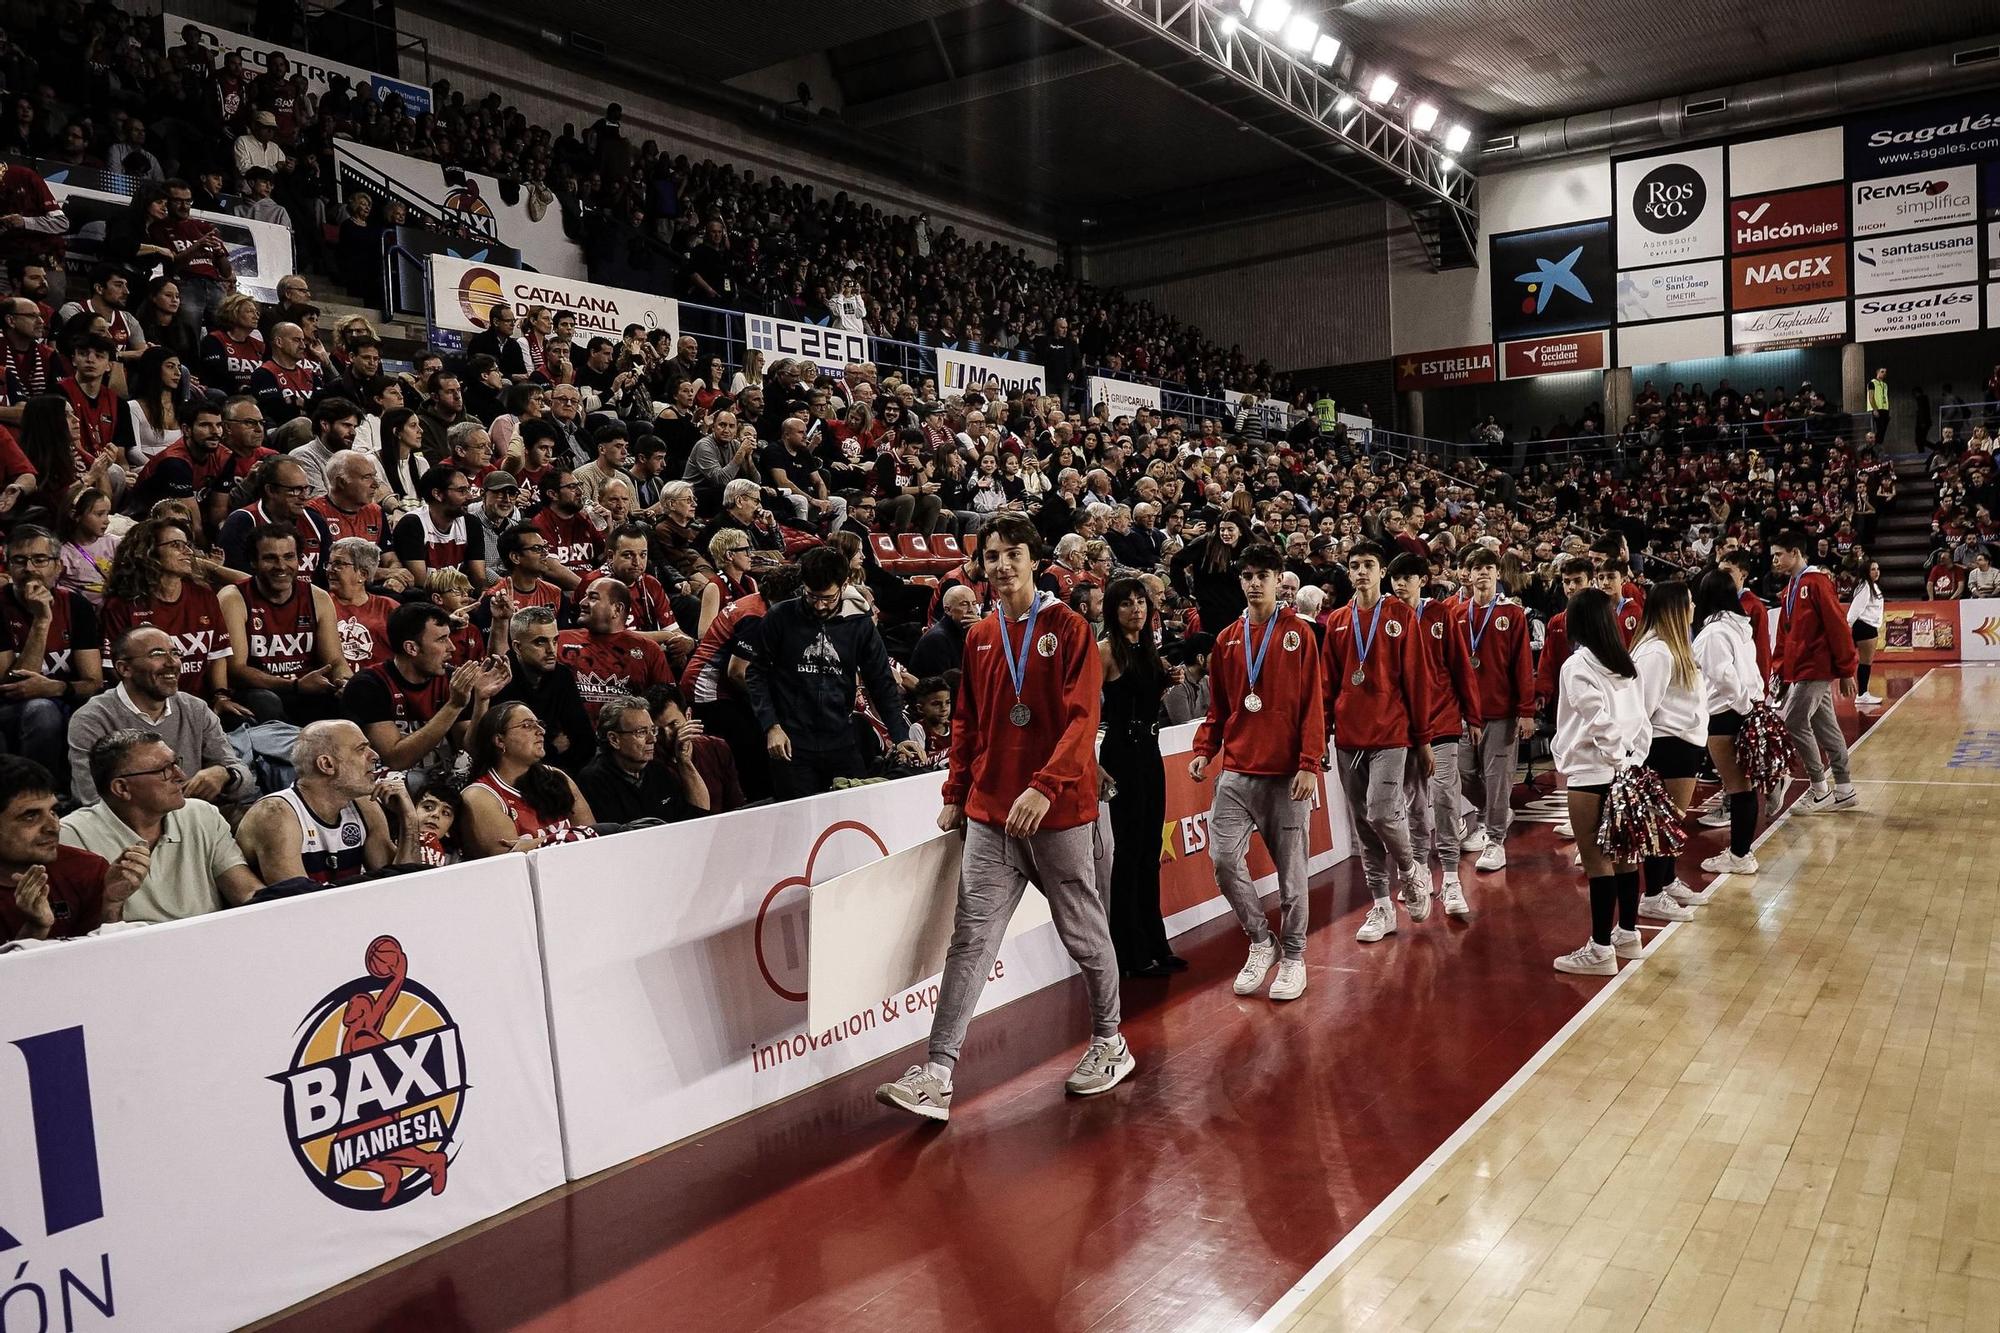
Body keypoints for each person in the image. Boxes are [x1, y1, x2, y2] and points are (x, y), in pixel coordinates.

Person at [875, 513, 1131, 1123]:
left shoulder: (1069, 628)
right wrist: (955, 790)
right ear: (982, 567)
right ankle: (937, 1072)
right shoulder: (981, 635)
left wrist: (1045, 786)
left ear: (1034, 560)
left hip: (1060, 812)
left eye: (1013, 553)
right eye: (992, 556)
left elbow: (1081, 720)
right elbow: (968, 722)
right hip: (991, 813)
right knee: (971, 937)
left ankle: (1110, 1040)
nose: (1002, 565)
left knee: (1083, 933)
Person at [1190, 543, 1325, 998]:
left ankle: (1292, 956)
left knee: (1291, 874)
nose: (1253, 583)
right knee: (1224, 860)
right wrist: (1204, 749)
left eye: (1262, 575)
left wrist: (1309, 763)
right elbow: (1219, 708)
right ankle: (1260, 941)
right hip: (1237, 773)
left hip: (1287, 774)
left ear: (1277, 579)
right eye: (1247, 575)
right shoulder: (1227, 639)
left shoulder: (1298, 634)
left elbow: (1312, 704)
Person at [1324, 541, 1431, 942]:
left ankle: (1411, 870)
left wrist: (1422, 739)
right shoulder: (1336, 620)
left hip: (1391, 734)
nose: (1361, 572)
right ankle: (1381, 906)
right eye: (1355, 566)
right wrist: (1322, 733)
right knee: (1364, 828)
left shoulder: (1401, 615)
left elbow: (1416, 680)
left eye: (1369, 564)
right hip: (1349, 737)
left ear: (1381, 571)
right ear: (1348, 573)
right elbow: (1327, 684)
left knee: (1383, 812)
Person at [747, 546, 916, 798]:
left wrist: (900, 736)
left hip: (840, 737)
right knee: (798, 821)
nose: (819, 605)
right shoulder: (779, 617)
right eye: (811, 596)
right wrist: (771, 725)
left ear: (844, 584)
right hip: (792, 741)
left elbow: (881, 682)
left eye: (827, 598)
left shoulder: (859, 624)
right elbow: (756, 674)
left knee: (853, 813)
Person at [1550, 588, 1653, 976]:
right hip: (1627, 771)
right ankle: (1628, 934)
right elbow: (1644, 721)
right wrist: (1632, 763)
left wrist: (1615, 761)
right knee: (1627, 858)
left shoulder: (1577, 666)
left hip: (1592, 774)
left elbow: (1598, 723)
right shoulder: (1626, 664)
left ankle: (1600, 949)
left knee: (1598, 864)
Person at [61, 730, 261, 922]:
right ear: (122, 788)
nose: (181, 775)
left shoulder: (202, 815)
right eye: (164, 770)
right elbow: (79, 935)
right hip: (129, 950)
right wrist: (111, 903)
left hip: (208, 943)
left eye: (176, 763)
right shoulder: (72, 837)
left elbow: (247, 892)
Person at [66, 626, 254, 805]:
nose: (172, 663)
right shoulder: (92, 719)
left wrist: (225, 775)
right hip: (129, 830)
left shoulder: (195, 708)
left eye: (175, 653)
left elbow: (244, 779)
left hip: (198, 819)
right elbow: (90, 799)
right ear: (124, 669)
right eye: (157, 654)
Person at [1387, 552, 1476, 917]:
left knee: (1443, 799)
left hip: (1441, 721)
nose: (1400, 583)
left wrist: (1473, 715)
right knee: (1412, 804)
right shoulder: (1384, 616)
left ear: (1422, 580)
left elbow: (1459, 664)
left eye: (1408, 576)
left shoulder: (1441, 615)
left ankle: (1452, 879)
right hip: (1403, 728)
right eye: (1395, 577)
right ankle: (1420, 870)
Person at [1099, 576, 1179, 977]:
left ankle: (1155, 943)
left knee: (1150, 851)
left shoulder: (1148, 650)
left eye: (1141, 602)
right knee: (1128, 852)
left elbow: (1145, 697)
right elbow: (1081, 707)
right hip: (1121, 754)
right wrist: (1092, 763)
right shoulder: (1105, 651)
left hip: (1151, 750)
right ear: (1113, 610)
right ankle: (1128, 952)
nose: (1136, 609)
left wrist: (1167, 682)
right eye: (1127, 603)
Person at [343, 602, 509, 791]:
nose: (452, 647)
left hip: (445, 782)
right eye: (441, 639)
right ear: (411, 648)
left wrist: (481, 699)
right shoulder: (368, 684)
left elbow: (471, 750)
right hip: (392, 787)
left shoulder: (451, 681)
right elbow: (396, 759)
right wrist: (454, 706)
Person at [237, 721, 417, 884]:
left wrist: (409, 818)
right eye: (361, 749)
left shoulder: (364, 805)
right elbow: (296, 904)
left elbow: (403, 885)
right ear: (327, 765)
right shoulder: (275, 814)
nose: (375, 756)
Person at [1450, 545, 1536, 874]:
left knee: (1498, 777)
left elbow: (1522, 666)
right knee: (1464, 772)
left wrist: (1525, 711)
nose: (1483, 573)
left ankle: (1495, 840)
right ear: (1467, 576)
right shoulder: (1457, 615)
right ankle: (1491, 813)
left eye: (1489, 568)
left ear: (1497, 574)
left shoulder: (1512, 615)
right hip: (1465, 712)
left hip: (1502, 711)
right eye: (1477, 568)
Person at [1629, 581, 1711, 921]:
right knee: (1662, 824)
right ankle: (1652, 893)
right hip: (1666, 746)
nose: (1693, 608)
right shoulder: (1657, 652)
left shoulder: (1672, 647)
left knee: (1671, 823)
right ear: (1675, 609)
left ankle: (1667, 879)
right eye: (1689, 603)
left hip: (1683, 744)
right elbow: (1641, 708)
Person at [0, 756, 147, 942]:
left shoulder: (87, 869)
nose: (53, 826)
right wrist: (35, 928)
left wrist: (111, 905)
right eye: (30, 816)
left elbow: (104, 958)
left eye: (53, 811)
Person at [0, 523, 104, 778]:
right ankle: (40, 790)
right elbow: (14, 686)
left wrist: (56, 688)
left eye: (39, 559)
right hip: (9, 708)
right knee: (41, 710)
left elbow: (94, 681)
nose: (29, 569)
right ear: (9, 566)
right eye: (20, 560)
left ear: (58, 566)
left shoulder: (76, 605)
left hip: (63, 698)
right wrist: (42, 621)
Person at [218, 523, 347, 722]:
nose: (281, 566)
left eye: (289, 557)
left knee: (351, 698)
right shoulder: (233, 598)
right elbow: (236, 670)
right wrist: (295, 685)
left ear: (299, 559)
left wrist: (345, 682)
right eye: (270, 558)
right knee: (266, 702)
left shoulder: (318, 597)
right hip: (259, 692)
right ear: (253, 562)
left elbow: (335, 661)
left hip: (308, 689)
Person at [1771, 529, 1859, 814]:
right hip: (1802, 668)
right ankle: (1844, 789)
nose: (1774, 561)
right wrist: (1781, 670)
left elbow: (1838, 626)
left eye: (1778, 555)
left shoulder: (1817, 583)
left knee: (1794, 721)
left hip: (1816, 667)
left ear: (1795, 553)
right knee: (1826, 726)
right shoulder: (1790, 589)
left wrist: (1847, 670)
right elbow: (1785, 634)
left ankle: (1820, 788)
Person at [1693, 570, 1765, 877]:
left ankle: (1739, 855)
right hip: (1742, 709)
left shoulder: (1713, 633)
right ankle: (1741, 852)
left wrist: (1743, 707)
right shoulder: (1738, 627)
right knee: (1742, 787)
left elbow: (1724, 677)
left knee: (1738, 788)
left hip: (1726, 715)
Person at [459, 700, 597, 855]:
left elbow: (594, 838)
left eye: (539, 724)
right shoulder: (480, 796)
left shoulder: (557, 777)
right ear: (499, 740)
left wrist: (535, 844)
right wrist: (573, 836)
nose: (540, 731)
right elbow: (510, 861)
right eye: (527, 725)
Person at [574, 694, 709, 824]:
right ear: (614, 739)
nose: (652, 739)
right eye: (642, 732)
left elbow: (697, 816)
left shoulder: (659, 771)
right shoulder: (593, 781)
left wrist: (684, 760)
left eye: (652, 730)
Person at [556, 577, 674, 721]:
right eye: (585, 596)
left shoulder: (648, 650)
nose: (582, 603)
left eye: (593, 598)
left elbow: (667, 702)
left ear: (617, 609)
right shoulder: (560, 640)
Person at [494, 606, 595, 772]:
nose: (551, 650)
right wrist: (553, 748)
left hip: (557, 774)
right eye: (540, 642)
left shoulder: (562, 675)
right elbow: (504, 751)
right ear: (518, 647)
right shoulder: (500, 679)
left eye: (555, 640)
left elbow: (585, 741)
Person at [390, 464, 488, 586]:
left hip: (460, 595)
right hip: (425, 600)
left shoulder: (471, 523)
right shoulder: (412, 525)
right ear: (438, 494)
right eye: (462, 491)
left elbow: (479, 578)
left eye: (468, 490)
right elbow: (422, 584)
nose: (469, 497)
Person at [1847, 559, 1885, 707]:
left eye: (1878, 569)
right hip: (1865, 626)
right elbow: (1855, 609)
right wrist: (1847, 626)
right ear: (1866, 571)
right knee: (1865, 662)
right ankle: (1862, 694)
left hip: (1868, 626)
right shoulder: (1865, 587)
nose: (1876, 572)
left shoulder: (1871, 586)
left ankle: (1863, 693)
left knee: (1864, 662)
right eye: (1873, 569)